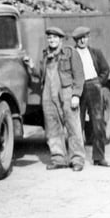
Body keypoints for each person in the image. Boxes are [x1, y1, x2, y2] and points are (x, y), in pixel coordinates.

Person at [23, 27, 86, 171]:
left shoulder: (70, 53)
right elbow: (42, 74)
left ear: (61, 39)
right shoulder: (46, 55)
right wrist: (31, 66)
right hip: (48, 93)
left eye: (55, 38)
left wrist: (76, 95)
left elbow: (79, 75)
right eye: (50, 38)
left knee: (73, 126)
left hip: (66, 93)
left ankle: (77, 160)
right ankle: (59, 159)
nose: (52, 40)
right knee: (52, 128)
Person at [72, 26, 110, 167]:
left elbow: (105, 70)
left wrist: (98, 83)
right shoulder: (72, 54)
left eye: (85, 37)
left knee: (98, 123)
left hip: (94, 87)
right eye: (80, 39)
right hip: (79, 89)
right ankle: (78, 160)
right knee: (78, 125)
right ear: (76, 40)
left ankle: (99, 157)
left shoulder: (96, 52)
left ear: (88, 38)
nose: (83, 41)